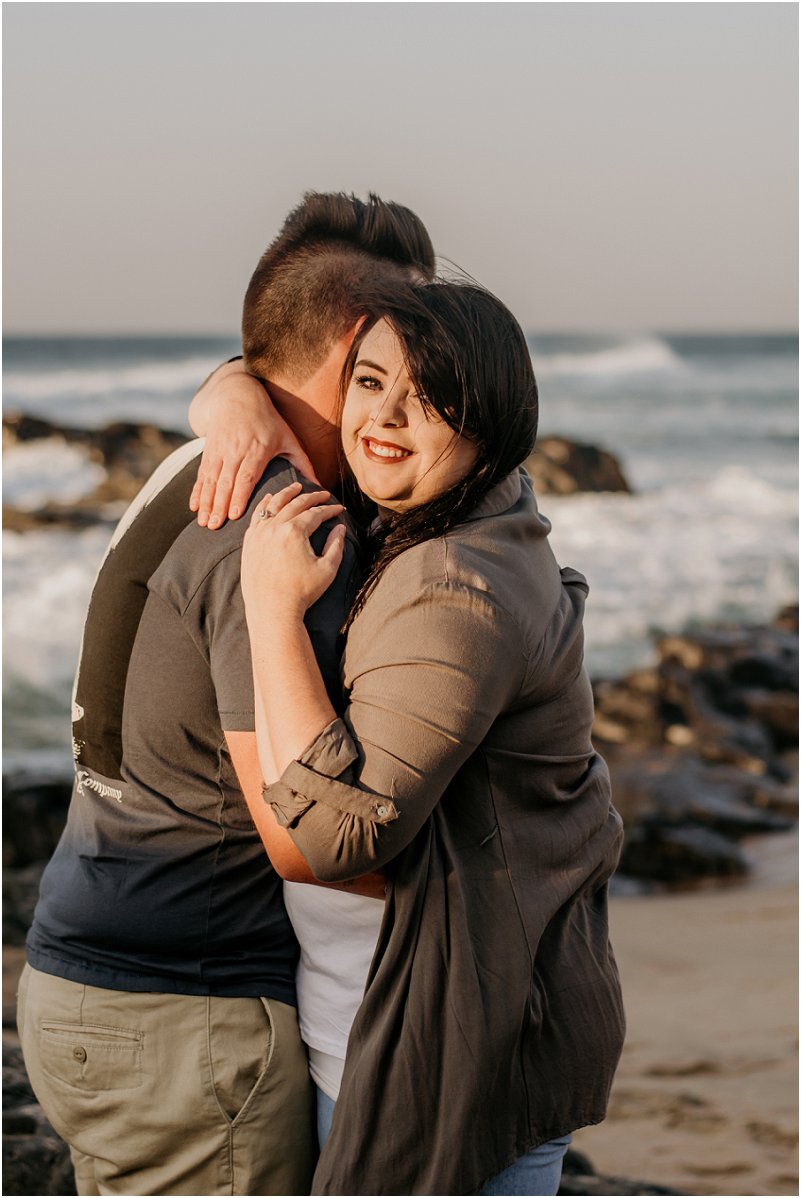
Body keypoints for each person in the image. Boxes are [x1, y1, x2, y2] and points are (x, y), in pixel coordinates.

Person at [18, 191, 435, 1196]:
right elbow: (301, 838)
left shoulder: (200, 458)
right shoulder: (284, 531)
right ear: (354, 353)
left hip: (88, 980)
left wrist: (228, 386)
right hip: (185, 1018)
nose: (442, 362)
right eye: (421, 340)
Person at [237, 278, 626, 1196]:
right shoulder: (469, 514)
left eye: (432, 397)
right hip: (456, 1010)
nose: (386, 416)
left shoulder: (453, 586)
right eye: (369, 382)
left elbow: (334, 837)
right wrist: (230, 391)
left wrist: (268, 609)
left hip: (447, 1039)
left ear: (487, 419)